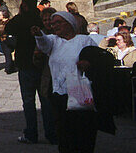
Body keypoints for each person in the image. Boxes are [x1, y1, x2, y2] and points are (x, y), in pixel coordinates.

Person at [35, 11, 101, 152]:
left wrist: (87, 63)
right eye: (53, 23)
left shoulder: (84, 40)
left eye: (59, 22)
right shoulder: (54, 40)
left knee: (83, 132)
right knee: (64, 133)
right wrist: (39, 34)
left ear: (69, 23)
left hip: (80, 93)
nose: (55, 26)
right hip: (60, 94)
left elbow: (96, 58)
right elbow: (43, 43)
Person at [6, 0, 56, 145]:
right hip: (42, 65)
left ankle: (31, 134)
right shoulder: (40, 18)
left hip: (26, 64)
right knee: (46, 100)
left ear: (24, 4)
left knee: (28, 101)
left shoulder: (21, 19)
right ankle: (51, 134)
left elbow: (7, 28)